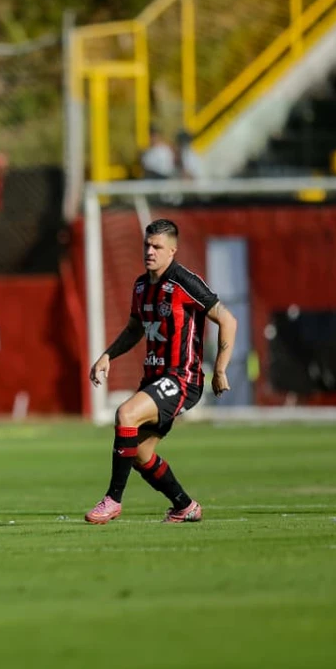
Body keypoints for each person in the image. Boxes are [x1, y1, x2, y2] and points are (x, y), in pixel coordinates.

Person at [85, 219, 237, 525]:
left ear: (172, 251)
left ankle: (113, 500)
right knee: (139, 453)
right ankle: (185, 506)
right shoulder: (141, 286)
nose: (149, 252)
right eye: (146, 245)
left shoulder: (184, 282)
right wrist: (107, 355)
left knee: (125, 414)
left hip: (182, 378)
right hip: (155, 378)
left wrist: (220, 369)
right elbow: (134, 329)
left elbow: (228, 320)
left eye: (157, 247)